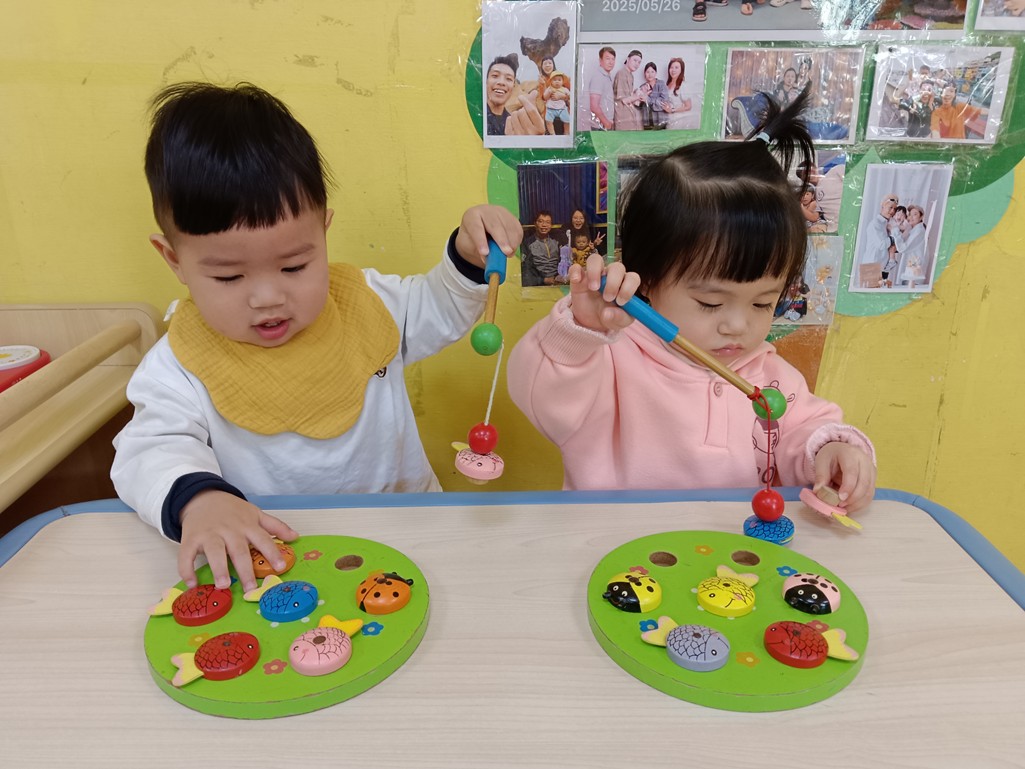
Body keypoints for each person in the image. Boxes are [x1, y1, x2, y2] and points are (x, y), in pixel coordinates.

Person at [111, 82, 523, 592]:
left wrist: (467, 253)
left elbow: (437, 308)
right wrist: (200, 500)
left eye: (294, 266)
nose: (268, 297)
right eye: (229, 277)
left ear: (323, 232)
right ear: (174, 259)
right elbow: (149, 449)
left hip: (408, 537)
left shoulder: (367, 303)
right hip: (278, 557)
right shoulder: (178, 364)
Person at [507, 87, 876, 512]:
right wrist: (581, 331)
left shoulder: (772, 380)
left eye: (762, 303)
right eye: (711, 303)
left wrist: (831, 452)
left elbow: (806, 435)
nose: (738, 326)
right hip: (610, 546)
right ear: (648, 279)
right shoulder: (608, 360)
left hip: (728, 551)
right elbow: (539, 398)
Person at [484, 54, 545, 137]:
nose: (501, 82)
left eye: (508, 79)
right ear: (486, 81)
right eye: (495, 76)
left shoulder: (514, 122)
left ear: (514, 85)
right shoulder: (476, 118)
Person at [861, 192, 899, 283]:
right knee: (871, 292)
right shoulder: (875, 224)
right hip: (871, 266)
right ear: (883, 206)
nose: (892, 211)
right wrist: (895, 237)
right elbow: (882, 244)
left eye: (894, 209)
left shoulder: (887, 224)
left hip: (883, 267)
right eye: (890, 207)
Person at [580, 46, 616, 131]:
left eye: (613, 59)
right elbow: (594, 105)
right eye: (607, 59)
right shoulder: (598, 77)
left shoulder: (606, 76)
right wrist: (606, 123)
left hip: (604, 124)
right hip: (600, 126)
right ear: (600, 60)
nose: (611, 62)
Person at [522, 211, 562, 286]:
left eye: (547, 222)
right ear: (535, 223)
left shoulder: (556, 241)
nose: (544, 225)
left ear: (551, 225)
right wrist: (543, 280)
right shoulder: (528, 243)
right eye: (540, 221)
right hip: (537, 284)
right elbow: (525, 270)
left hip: (557, 282)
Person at [894, 204, 928, 287]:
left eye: (915, 214)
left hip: (914, 273)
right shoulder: (914, 230)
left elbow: (902, 248)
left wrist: (895, 231)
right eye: (910, 214)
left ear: (921, 217)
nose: (911, 217)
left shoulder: (919, 231)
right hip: (911, 270)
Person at [613, 50, 645, 131]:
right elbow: (624, 100)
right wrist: (639, 96)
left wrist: (637, 92)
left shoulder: (630, 75)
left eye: (639, 62)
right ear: (627, 59)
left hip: (629, 114)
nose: (637, 64)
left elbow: (628, 95)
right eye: (635, 60)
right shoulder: (622, 73)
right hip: (622, 116)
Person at [662, 57, 695, 131]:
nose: (673, 70)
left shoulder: (683, 85)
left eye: (676, 67)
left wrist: (672, 110)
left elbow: (688, 106)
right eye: (671, 67)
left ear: (681, 70)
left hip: (678, 121)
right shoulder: (668, 84)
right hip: (668, 120)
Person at [641, 62, 671, 129]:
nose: (650, 74)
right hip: (647, 121)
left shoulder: (661, 84)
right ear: (644, 73)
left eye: (652, 72)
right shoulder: (642, 87)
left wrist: (648, 99)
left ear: (656, 73)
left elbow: (664, 102)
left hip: (661, 121)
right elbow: (640, 104)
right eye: (647, 72)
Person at [543, 71, 572, 136]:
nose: (557, 82)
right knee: (548, 121)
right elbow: (545, 97)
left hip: (562, 109)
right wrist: (549, 93)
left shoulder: (564, 89)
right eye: (554, 80)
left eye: (559, 80)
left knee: (567, 121)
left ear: (562, 82)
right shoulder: (549, 88)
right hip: (550, 109)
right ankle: (552, 133)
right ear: (551, 81)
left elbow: (570, 96)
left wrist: (564, 96)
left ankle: (566, 132)